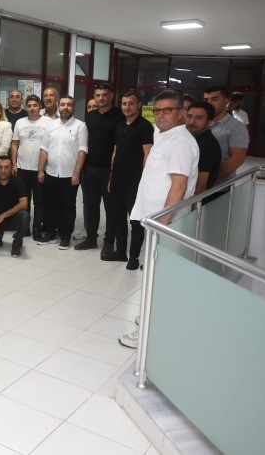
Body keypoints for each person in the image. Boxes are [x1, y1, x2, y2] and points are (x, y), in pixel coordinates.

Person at [120, 89, 199, 348]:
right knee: (154, 276)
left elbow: (179, 187)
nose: (161, 115)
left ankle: (149, 333)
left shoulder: (180, 142)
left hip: (165, 225)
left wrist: (161, 227)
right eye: (157, 110)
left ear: (181, 113)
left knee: (159, 279)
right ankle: (151, 318)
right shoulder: (164, 135)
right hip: (155, 221)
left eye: (168, 110)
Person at [102, 91, 154, 269]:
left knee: (135, 220)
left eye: (131, 103)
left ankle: (134, 257)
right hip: (117, 178)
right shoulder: (120, 125)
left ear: (138, 105)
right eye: (124, 103)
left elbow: (148, 154)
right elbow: (115, 152)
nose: (127, 107)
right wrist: (111, 176)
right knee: (117, 217)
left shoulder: (145, 126)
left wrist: (145, 181)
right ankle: (121, 252)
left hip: (135, 180)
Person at [76, 83, 126, 255]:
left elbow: (119, 144)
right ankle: (91, 238)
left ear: (111, 95)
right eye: (98, 95)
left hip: (108, 170)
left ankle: (109, 241)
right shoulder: (91, 116)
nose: (101, 98)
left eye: (104, 95)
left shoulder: (119, 116)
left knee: (110, 207)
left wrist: (113, 170)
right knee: (91, 205)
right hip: (90, 168)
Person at [37, 95, 88, 249]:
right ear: (58, 106)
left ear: (73, 107)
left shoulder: (80, 126)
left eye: (69, 105)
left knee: (68, 206)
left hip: (70, 175)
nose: (65, 107)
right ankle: (51, 233)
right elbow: (44, 148)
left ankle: (65, 236)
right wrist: (40, 170)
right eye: (63, 104)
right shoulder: (50, 126)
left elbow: (82, 151)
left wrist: (77, 173)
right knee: (51, 205)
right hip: (51, 173)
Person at [11, 95, 52, 240]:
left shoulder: (48, 122)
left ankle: (36, 228)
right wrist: (14, 164)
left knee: (39, 201)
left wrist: (42, 169)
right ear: (26, 107)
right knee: (24, 201)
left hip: (41, 169)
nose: (32, 108)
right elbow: (14, 145)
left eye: (35, 105)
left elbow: (49, 145)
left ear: (40, 107)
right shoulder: (20, 122)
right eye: (29, 106)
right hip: (22, 167)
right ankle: (24, 228)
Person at [203, 86, 249, 181]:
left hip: (218, 185)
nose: (209, 103)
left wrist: (208, 180)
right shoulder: (200, 122)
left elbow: (237, 160)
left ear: (226, 102)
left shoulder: (237, 127)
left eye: (215, 99)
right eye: (206, 100)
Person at [75, 97, 101, 240]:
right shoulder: (82, 126)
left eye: (94, 107)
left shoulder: (103, 125)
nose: (91, 110)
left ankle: (93, 230)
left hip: (98, 169)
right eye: (89, 107)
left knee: (94, 202)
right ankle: (87, 228)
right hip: (82, 168)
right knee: (87, 200)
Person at [185, 100, 222, 196]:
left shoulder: (206, 145)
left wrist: (191, 206)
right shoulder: (194, 140)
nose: (192, 122)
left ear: (209, 123)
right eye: (189, 116)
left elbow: (201, 184)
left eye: (199, 118)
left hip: (197, 202)